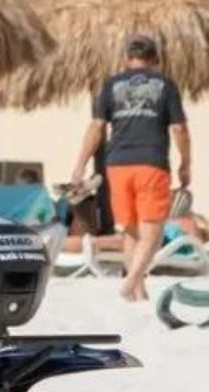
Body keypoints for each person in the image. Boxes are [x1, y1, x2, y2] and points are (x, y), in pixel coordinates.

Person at [71, 34, 192, 302]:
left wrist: (79, 165)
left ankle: (138, 293)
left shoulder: (111, 84)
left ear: (127, 58)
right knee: (153, 231)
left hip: (117, 165)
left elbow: (96, 127)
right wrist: (185, 164)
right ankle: (131, 281)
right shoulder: (165, 84)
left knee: (130, 230)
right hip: (151, 163)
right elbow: (179, 128)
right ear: (155, 59)